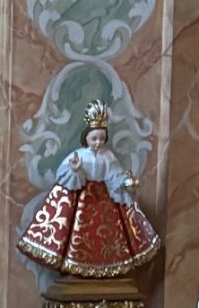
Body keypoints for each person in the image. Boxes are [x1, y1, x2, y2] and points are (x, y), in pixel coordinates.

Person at [16, 103, 160, 276]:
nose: (98, 142)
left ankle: (106, 263)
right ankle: (75, 262)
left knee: (107, 234)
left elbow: (115, 175)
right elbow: (65, 174)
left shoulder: (108, 156)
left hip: (105, 200)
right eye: (94, 138)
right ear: (87, 138)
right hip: (82, 199)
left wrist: (126, 182)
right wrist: (75, 169)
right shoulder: (80, 155)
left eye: (101, 138)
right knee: (78, 232)